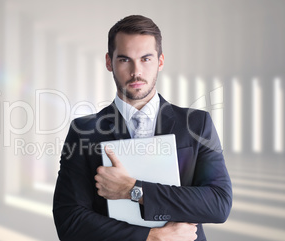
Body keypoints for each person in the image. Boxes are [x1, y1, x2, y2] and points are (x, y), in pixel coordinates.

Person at [53, 15, 232, 241]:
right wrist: (151, 237)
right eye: (125, 60)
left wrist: (132, 189)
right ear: (109, 62)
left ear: (160, 61)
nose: (136, 71)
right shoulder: (83, 131)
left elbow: (219, 204)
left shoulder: (197, 124)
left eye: (146, 59)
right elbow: (69, 220)